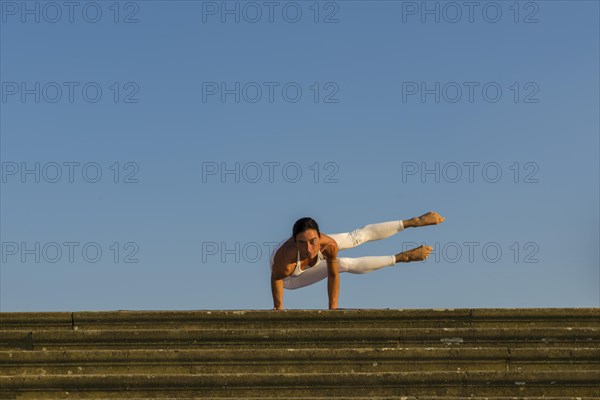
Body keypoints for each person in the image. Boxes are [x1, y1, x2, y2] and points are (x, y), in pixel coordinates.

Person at [270, 211, 445, 310]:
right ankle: (401, 258)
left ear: (320, 237)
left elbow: (333, 275)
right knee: (344, 263)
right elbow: (276, 279)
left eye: (313, 242)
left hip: (317, 250)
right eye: (302, 243)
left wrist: (333, 308)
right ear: (295, 242)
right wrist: (278, 309)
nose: (309, 249)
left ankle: (412, 222)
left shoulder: (328, 245)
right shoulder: (286, 260)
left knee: (356, 237)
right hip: (289, 280)